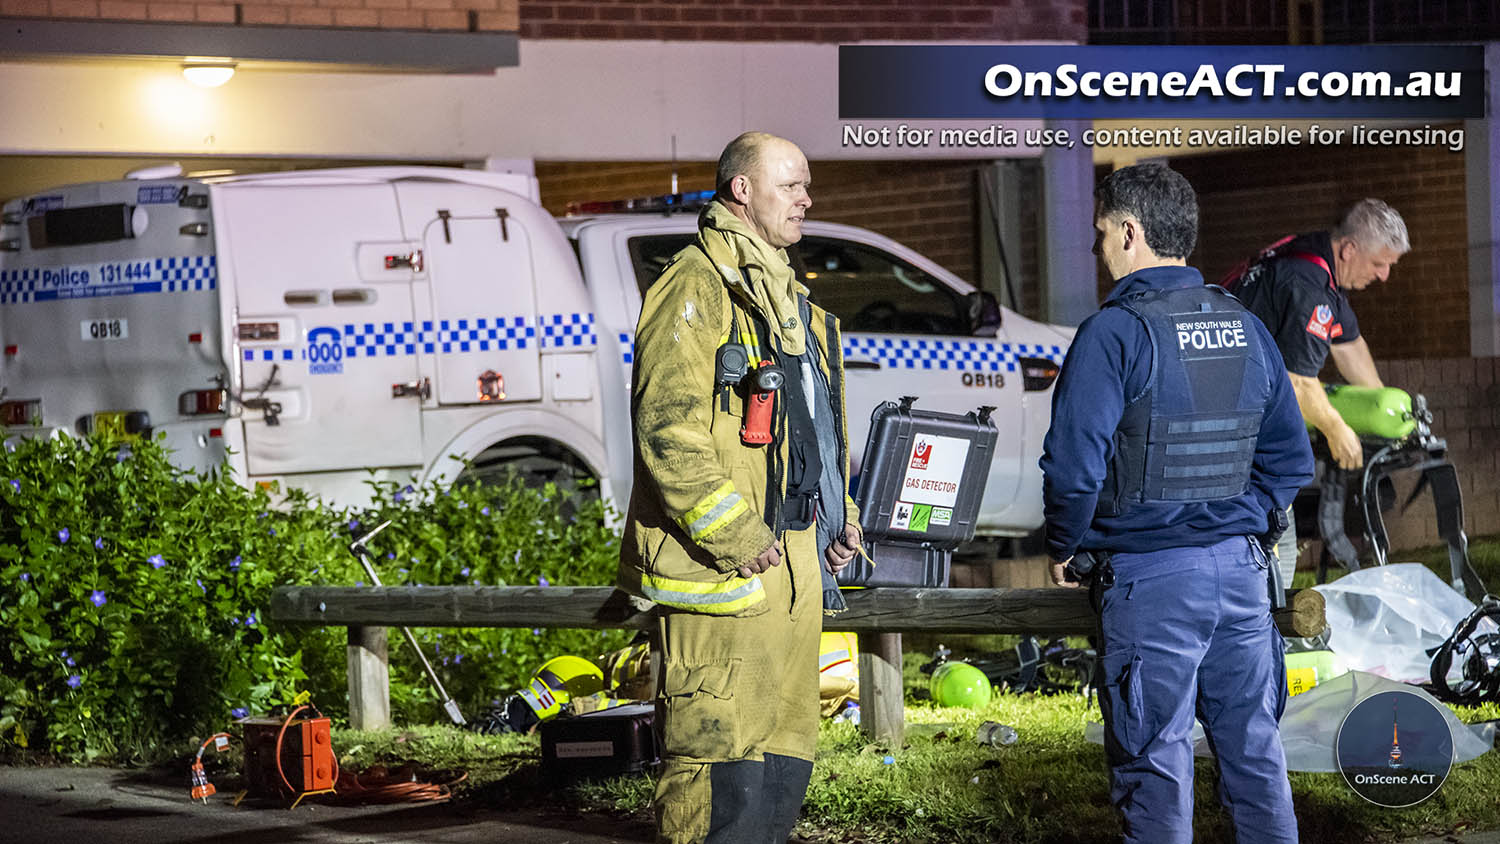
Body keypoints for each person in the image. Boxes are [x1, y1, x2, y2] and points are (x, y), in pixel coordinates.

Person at [1040, 163, 1314, 844]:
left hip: (1151, 581)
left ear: (1130, 232)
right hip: (1242, 577)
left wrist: (1065, 546)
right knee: (1255, 757)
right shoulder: (1247, 328)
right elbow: (1290, 461)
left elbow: (1074, 467)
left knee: (1155, 764)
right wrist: (1236, 521)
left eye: (1103, 233)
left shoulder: (1114, 333)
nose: (1100, 250)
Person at [617, 131, 863, 844]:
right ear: (741, 191)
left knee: (784, 752)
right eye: (791, 185)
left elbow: (810, 423)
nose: (807, 199)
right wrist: (735, 533)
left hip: (792, 566)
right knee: (715, 763)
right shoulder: (696, 285)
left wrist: (835, 520)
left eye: (807, 185)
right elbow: (668, 429)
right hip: (727, 571)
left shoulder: (789, 299)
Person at [1230, 199, 1410, 581]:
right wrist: (1337, 429)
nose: (1384, 277)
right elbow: (1298, 384)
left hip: (1238, 411)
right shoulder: (1308, 285)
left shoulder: (1315, 257)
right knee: (1274, 543)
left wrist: (1382, 411)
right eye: (1380, 263)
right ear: (1349, 249)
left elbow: (1350, 348)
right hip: (1232, 425)